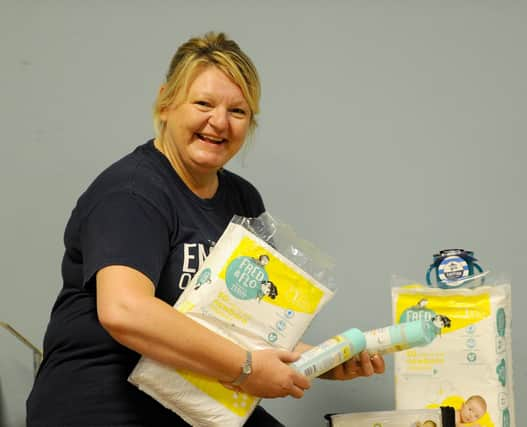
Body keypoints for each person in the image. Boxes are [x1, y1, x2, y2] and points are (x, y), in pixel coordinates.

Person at [26, 31, 384, 427]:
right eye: (203, 103)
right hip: (104, 402)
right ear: (166, 103)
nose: (219, 122)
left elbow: (251, 327)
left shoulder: (242, 200)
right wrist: (247, 369)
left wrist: (320, 360)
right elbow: (124, 310)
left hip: (192, 398)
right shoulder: (131, 193)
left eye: (238, 111)